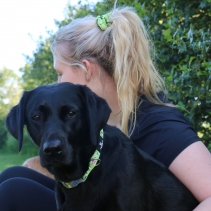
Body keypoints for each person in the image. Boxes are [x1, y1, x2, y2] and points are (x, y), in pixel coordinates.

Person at [0, 6, 211, 211]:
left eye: (60, 73)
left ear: (86, 69)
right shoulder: (103, 120)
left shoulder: (160, 127)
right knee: (13, 176)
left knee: (13, 192)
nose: (57, 82)